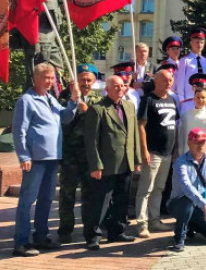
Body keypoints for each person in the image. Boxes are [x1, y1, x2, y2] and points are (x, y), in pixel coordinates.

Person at [11, 63, 80, 256]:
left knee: (46, 199)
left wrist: (74, 99)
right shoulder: (26, 101)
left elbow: (66, 117)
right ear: (36, 78)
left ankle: (41, 236)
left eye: (51, 78)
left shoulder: (50, 99)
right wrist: (24, 155)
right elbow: (19, 130)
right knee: (27, 200)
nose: (49, 82)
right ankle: (21, 242)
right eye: (46, 78)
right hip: (35, 158)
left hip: (52, 156)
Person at [83, 75, 141, 251]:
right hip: (106, 164)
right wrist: (95, 165)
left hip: (126, 161)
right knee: (100, 201)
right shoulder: (97, 109)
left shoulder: (129, 106)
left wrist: (136, 159)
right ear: (107, 89)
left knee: (122, 199)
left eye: (122, 85)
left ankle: (117, 231)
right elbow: (91, 141)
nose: (119, 89)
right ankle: (93, 236)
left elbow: (134, 134)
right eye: (115, 86)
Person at [135, 66, 179, 238]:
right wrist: (144, 150)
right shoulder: (148, 99)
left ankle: (154, 220)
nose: (168, 83)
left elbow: (174, 126)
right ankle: (142, 224)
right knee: (145, 189)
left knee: (159, 188)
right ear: (156, 81)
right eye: (165, 80)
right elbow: (141, 126)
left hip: (167, 153)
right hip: (153, 152)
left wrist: (175, 149)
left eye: (171, 80)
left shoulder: (172, 100)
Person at [167, 128, 206, 251]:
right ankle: (179, 238)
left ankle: (193, 224)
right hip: (178, 204)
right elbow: (186, 186)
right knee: (187, 200)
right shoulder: (180, 162)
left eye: (203, 142)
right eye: (196, 142)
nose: (200, 145)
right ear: (189, 143)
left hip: (202, 205)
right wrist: (205, 204)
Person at [57, 63, 98, 243]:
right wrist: (73, 102)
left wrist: (88, 112)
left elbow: (101, 123)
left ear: (94, 81)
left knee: (90, 196)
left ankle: (90, 233)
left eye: (89, 80)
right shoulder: (64, 99)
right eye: (82, 80)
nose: (85, 83)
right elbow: (61, 121)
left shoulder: (98, 100)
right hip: (69, 155)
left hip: (89, 156)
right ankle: (65, 230)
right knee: (67, 194)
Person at [179, 86, 206, 154]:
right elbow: (181, 138)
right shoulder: (185, 116)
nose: (200, 100)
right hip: (188, 154)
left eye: (203, 97)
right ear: (194, 99)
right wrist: (181, 155)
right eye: (198, 97)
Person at [176, 27, 206, 103]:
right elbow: (180, 83)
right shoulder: (185, 60)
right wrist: (182, 100)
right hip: (189, 99)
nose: (199, 45)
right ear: (191, 43)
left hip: (203, 100)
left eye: (202, 42)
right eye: (197, 42)